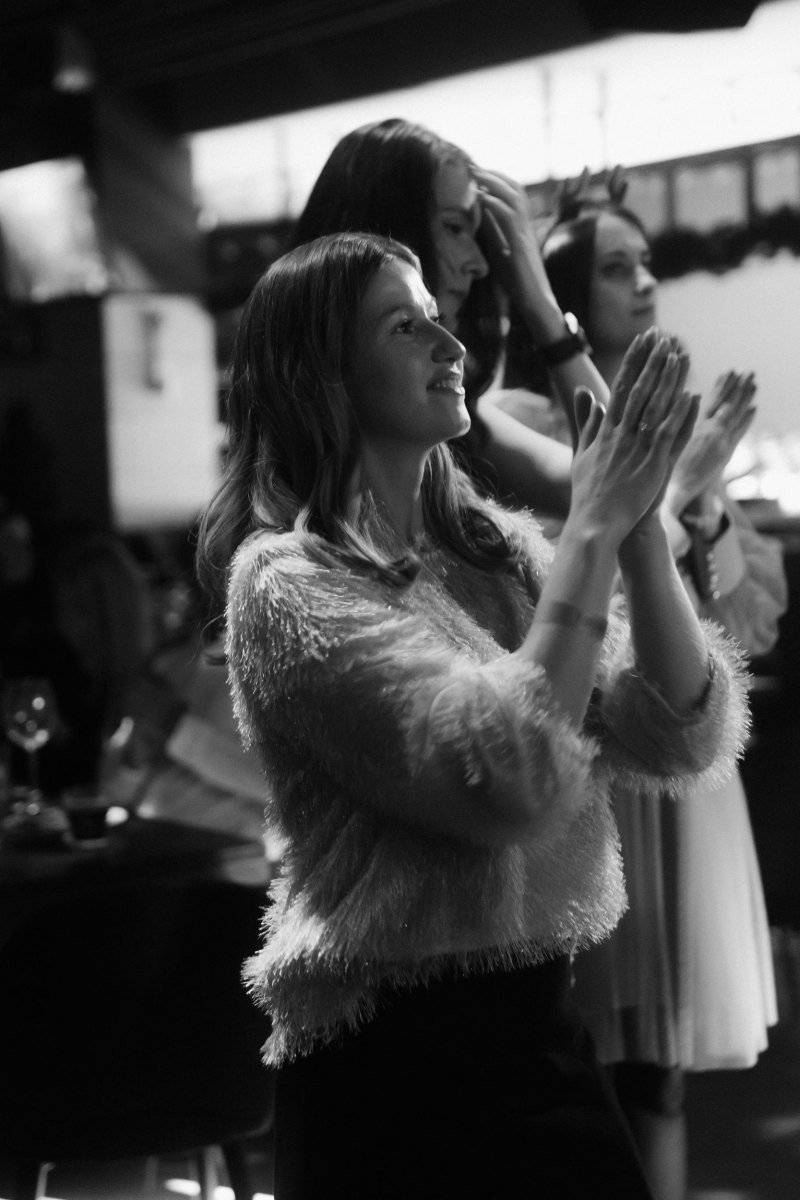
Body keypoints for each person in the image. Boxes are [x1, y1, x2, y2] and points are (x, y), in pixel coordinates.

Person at [196, 230, 750, 1199]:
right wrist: (589, 526)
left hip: (539, 1034)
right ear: (323, 372)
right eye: (405, 327)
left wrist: (636, 535)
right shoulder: (284, 581)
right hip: (389, 1070)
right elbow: (506, 778)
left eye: (437, 318)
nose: (450, 344)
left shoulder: (490, 548)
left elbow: (677, 732)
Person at [523, 176, 787, 1200]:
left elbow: (746, 623)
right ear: (563, 296)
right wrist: (681, 487)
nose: (643, 282)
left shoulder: (676, 421)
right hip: (598, 758)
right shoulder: (520, 422)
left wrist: (705, 501)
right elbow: (572, 592)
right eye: (615, 266)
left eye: (646, 263)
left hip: (687, 755)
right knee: (584, 1060)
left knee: (664, 1073)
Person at [291, 117, 605, 521]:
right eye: (455, 227)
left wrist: (539, 302)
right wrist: (539, 302)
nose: (479, 264)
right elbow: (613, 480)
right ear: (384, 233)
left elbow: (615, 479)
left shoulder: (442, 411)